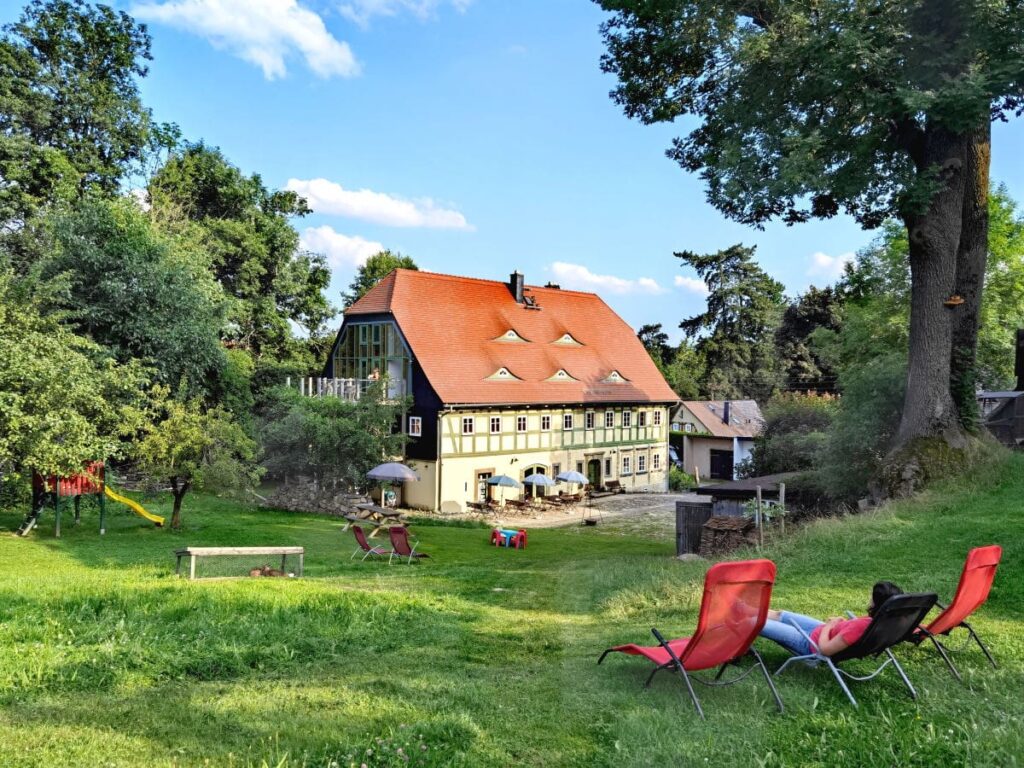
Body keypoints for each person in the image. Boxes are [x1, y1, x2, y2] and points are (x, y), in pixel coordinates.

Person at [759, 581, 903, 657]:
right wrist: (839, 624)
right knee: (780, 615)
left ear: (876, 603)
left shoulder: (861, 627)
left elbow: (824, 650)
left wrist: (829, 626)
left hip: (810, 644)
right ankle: (740, 606)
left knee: (758, 624)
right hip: (819, 630)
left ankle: (739, 616)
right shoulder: (884, 622)